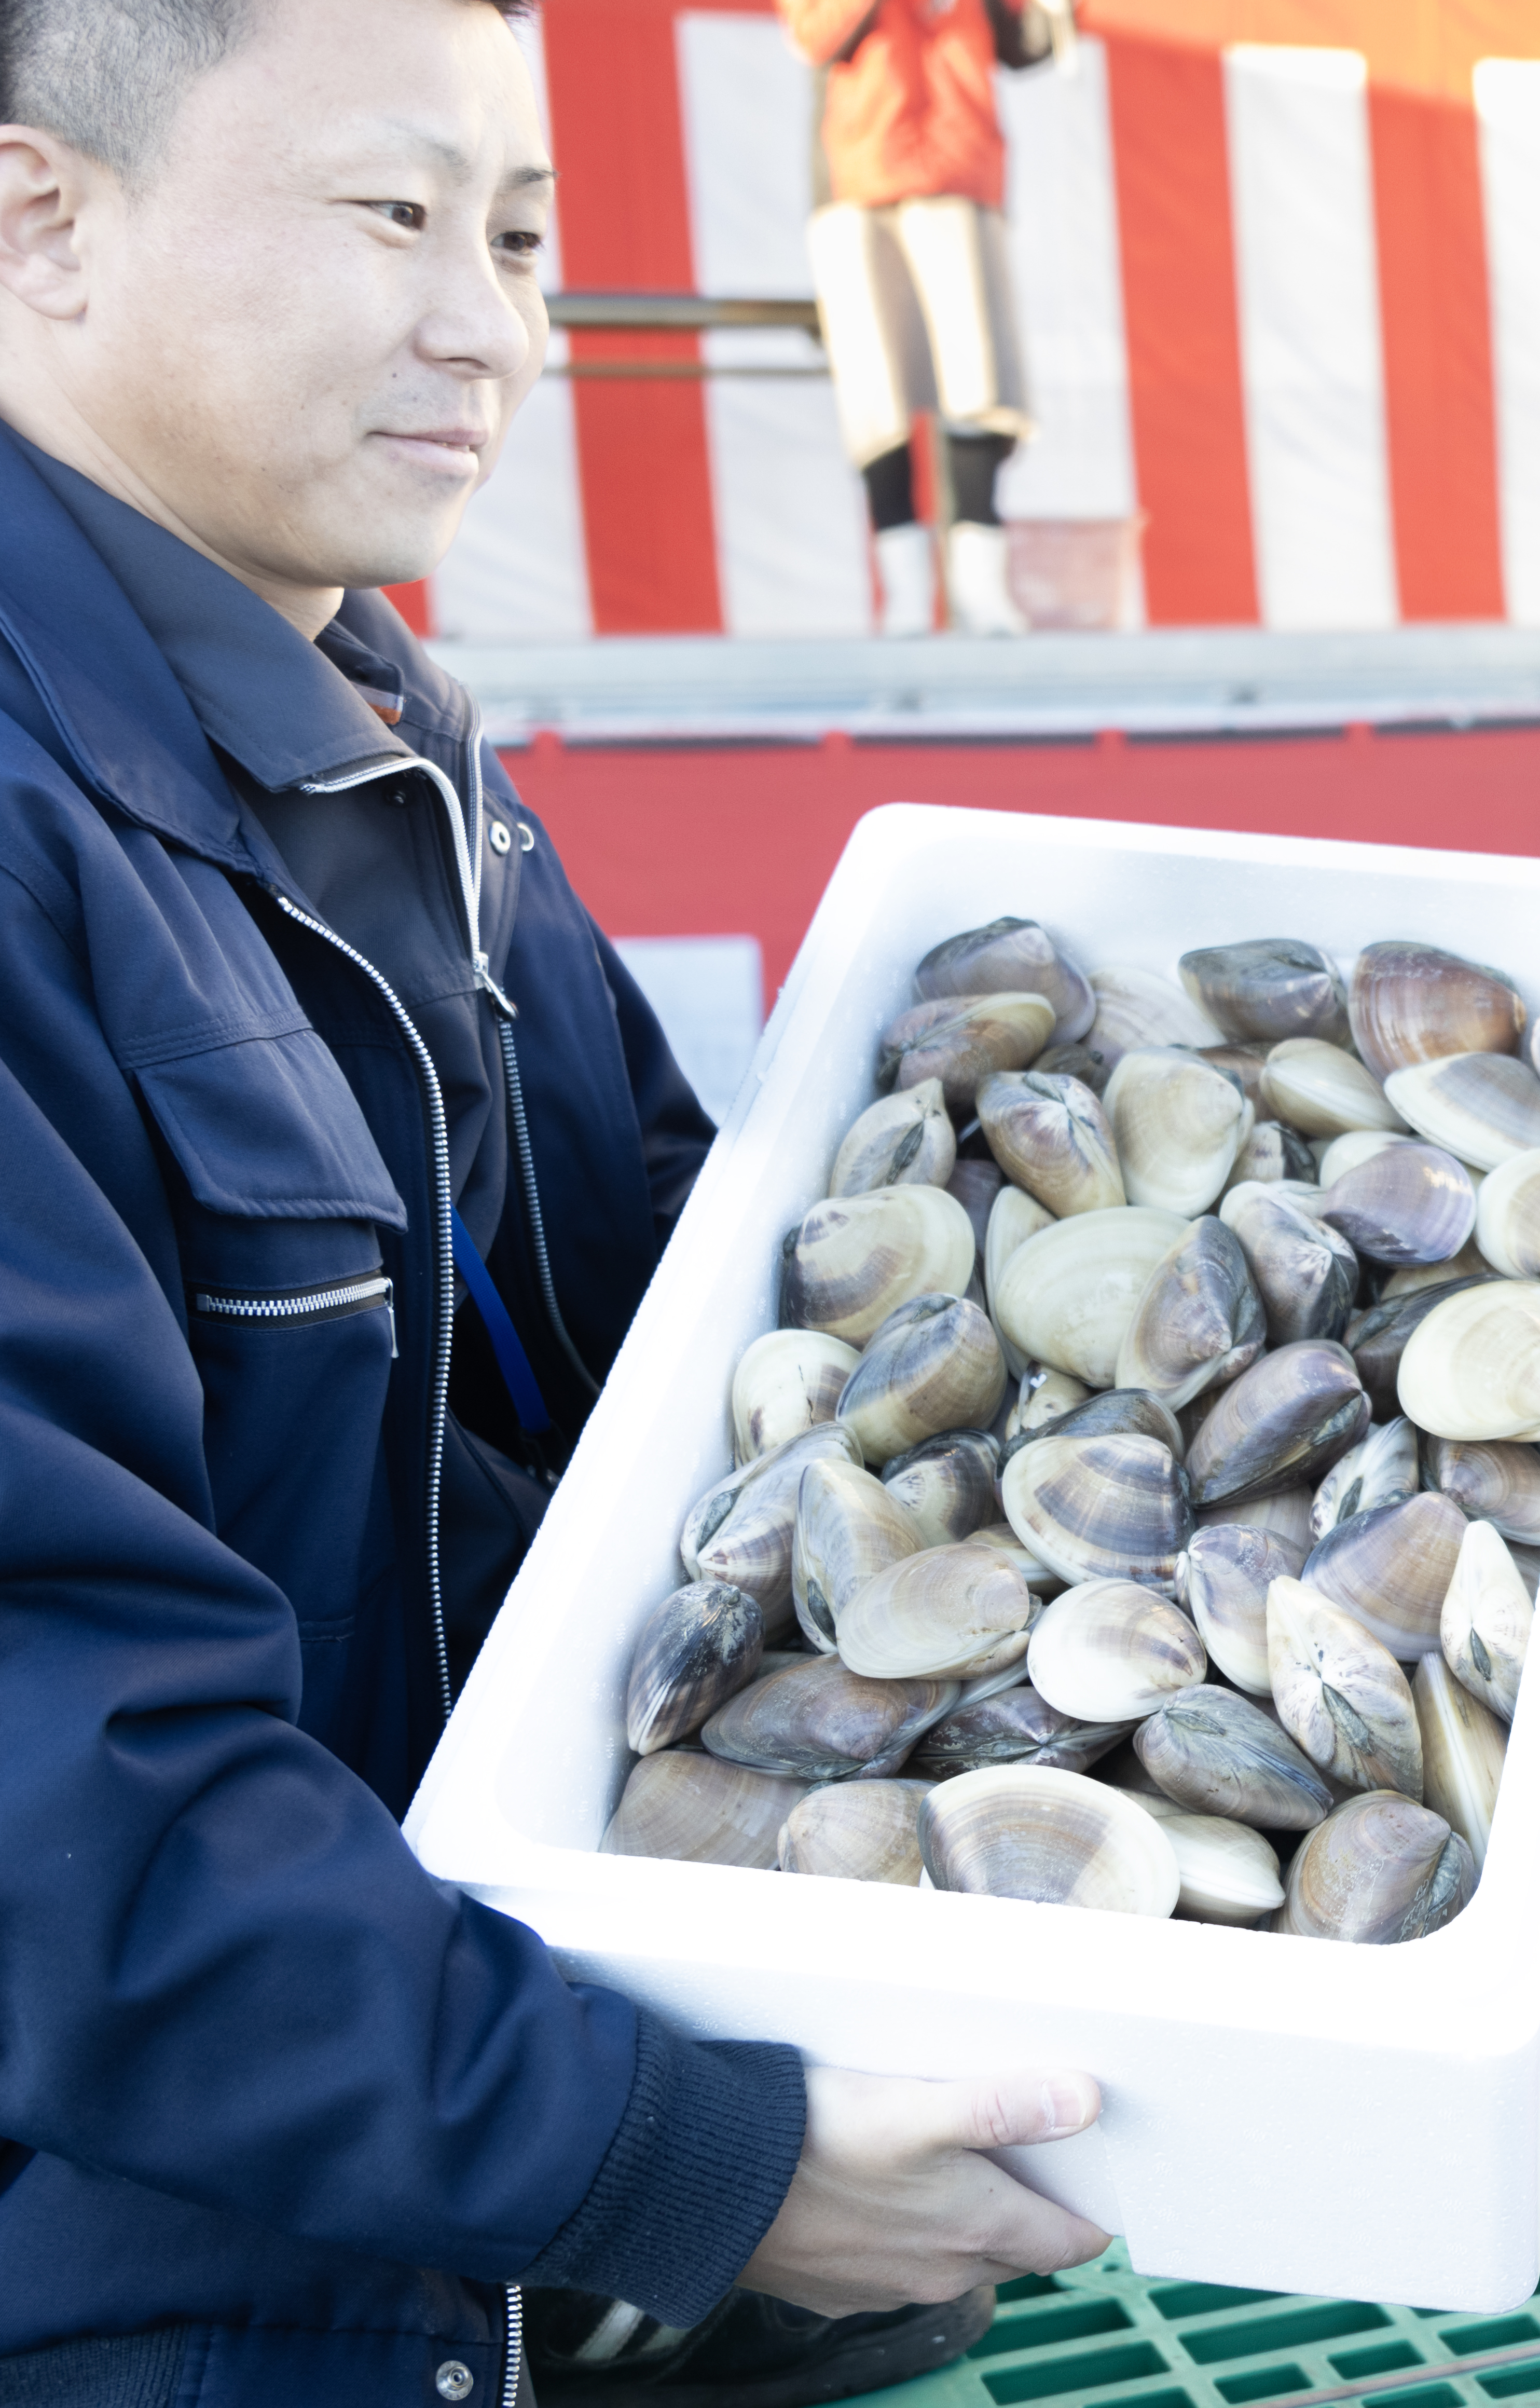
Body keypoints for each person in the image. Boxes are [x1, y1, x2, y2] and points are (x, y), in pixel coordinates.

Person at [0, 0, 1107, 2397]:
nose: (488, 327)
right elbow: (51, 1786)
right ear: (41, 221)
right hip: (152, 2263)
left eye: (518, 239)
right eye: (396, 217)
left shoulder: (383, 732)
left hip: (460, 2127)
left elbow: (677, 1309)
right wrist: (687, 2156)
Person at [781, 0, 1062, 639]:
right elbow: (812, 33)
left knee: (979, 381)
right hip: (860, 172)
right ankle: (905, 592)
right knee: (874, 391)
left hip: (960, 163)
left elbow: (1027, 42)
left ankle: (981, 585)